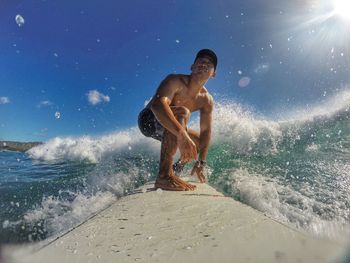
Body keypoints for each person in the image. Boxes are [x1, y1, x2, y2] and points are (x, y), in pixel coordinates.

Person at [138, 49, 217, 191]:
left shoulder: (207, 100)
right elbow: (158, 104)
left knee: (198, 143)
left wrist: (201, 162)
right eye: (200, 61)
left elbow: (206, 131)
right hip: (149, 119)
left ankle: (176, 170)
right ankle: (164, 176)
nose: (204, 64)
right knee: (183, 112)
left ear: (213, 74)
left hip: (171, 126)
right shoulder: (175, 80)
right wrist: (182, 134)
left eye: (209, 63)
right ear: (192, 67)